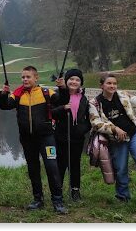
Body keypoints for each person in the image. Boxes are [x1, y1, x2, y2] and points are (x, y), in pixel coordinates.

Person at [0, 66, 67, 214]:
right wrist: (4, 93)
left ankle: (58, 201)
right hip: (27, 139)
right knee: (33, 168)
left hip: (46, 137)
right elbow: (4, 106)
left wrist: (63, 87)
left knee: (51, 167)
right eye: (23, 77)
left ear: (36, 78)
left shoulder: (47, 92)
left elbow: (64, 100)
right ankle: (38, 199)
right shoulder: (17, 94)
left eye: (28, 77)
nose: (25, 80)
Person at [88, 73, 136, 204]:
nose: (112, 86)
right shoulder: (94, 103)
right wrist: (114, 129)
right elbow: (96, 123)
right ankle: (123, 197)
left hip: (134, 135)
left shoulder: (123, 95)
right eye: (109, 83)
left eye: (114, 83)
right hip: (117, 140)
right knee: (120, 168)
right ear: (101, 86)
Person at [51, 69, 92, 202]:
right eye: (71, 79)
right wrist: (63, 108)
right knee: (60, 164)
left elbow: (89, 119)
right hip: (60, 136)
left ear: (80, 83)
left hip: (77, 138)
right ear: (66, 81)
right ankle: (58, 192)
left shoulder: (84, 98)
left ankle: (75, 191)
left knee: (75, 164)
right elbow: (51, 113)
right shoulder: (58, 95)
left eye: (77, 80)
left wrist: (83, 129)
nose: (74, 82)